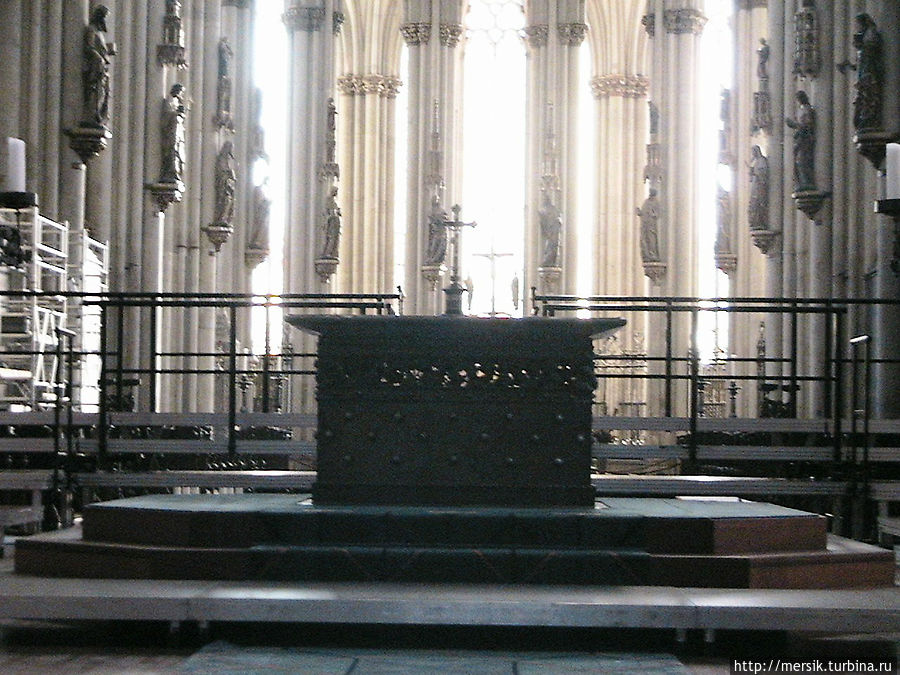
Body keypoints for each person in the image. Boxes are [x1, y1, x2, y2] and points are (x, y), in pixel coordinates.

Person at [82, 5, 115, 127]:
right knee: (97, 92)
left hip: (102, 68)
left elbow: (99, 48)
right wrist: (99, 58)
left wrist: (108, 52)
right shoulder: (92, 30)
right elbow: (89, 47)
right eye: (105, 17)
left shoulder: (99, 33)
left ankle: (100, 117)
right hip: (96, 68)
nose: (105, 20)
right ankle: (92, 116)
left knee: (106, 93)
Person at [852, 13, 882, 130]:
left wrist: (861, 46)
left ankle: (869, 121)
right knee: (862, 104)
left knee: (868, 100)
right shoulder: (865, 35)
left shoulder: (870, 33)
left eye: (858, 24)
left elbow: (871, 52)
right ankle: (865, 121)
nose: (857, 27)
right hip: (864, 74)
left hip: (869, 74)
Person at [785, 91, 816, 191]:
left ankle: (807, 182)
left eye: (798, 98)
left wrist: (794, 125)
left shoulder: (807, 109)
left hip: (805, 137)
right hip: (799, 136)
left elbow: (808, 124)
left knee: (802, 160)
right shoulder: (801, 109)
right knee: (797, 160)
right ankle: (801, 182)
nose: (797, 101)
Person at [160, 84, 186, 184]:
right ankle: (169, 171)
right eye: (180, 92)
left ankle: (175, 171)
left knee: (177, 152)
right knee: (171, 150)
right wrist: (177, 113)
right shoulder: (170, 100)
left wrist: (181, 113)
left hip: (177, 131)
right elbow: (167, 114)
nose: (181, 94)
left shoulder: (177, 101)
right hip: (171, 131)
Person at [213, 141, 236, 226]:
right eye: (230, 148)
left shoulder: (229, 160)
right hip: (223, 185)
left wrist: (232, 177)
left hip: (229, 186)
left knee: (229, 202)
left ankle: (225, 218)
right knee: (224, 200)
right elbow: (221, 172)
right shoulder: (222, 158)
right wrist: (229, 174)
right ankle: (221, 218)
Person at [748, 145, 769, 231]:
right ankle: (756, 222)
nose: (752, 154)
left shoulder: (762, 160)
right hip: (755, 185)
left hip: (760, 185)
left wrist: (755, 174)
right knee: (754, 203)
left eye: (753, 152)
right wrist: (751, 172)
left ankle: (761, 221)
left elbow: (763, 173)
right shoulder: (755, 162)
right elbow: (751, 179)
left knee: (759, 203)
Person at [636, 189, 661, 263]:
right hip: (644, 224)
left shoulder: (656, 202)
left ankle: (653, 255)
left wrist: (653, 214)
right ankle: (646, 256)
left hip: (651, 225)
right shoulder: (646, 202)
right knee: (644, 240)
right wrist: (639, 212)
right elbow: (643, 213)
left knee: (651, 240)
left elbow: (657, 214)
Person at [538, 193, 562, 268]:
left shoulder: (551, 210)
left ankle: (550, 260)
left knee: (552, 246)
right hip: (550, 232)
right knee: (549, 246)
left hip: (553, 232)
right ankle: (548, 260)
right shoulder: (544, 210)